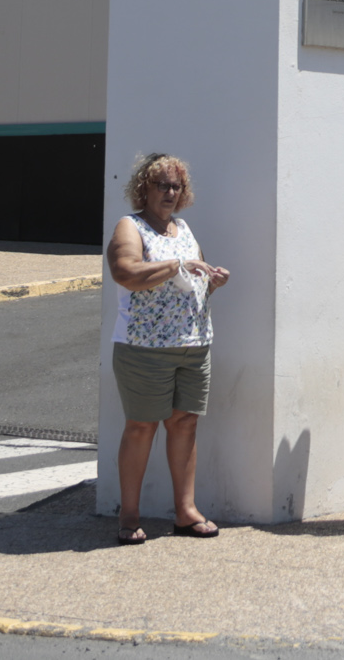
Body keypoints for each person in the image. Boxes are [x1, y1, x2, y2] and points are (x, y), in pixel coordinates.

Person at [106, 152, 229, 543]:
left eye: (177, 185)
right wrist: (176, 266)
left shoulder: (185, 229)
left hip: (193, 344)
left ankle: (185, 511)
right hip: (143, 347)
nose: (170, 192)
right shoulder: (131, 226)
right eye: (162, 184)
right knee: (141, 428)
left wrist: (213, 279)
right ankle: (129, 515)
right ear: (144, 187)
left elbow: (196, 280)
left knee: (185, 423)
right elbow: (125, 272)